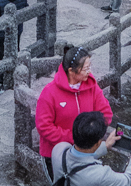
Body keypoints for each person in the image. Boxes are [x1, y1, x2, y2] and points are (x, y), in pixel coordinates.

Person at [35, 43, 114, 178]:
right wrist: (76, 139)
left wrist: (90, 136)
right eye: (86, 68)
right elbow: (44, 127)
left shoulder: (92, 86)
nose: (90, 71)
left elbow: (106, 114)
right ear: (71, 71)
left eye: (90, 66)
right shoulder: (49, 92)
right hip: (56, 156)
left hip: (86, 153)